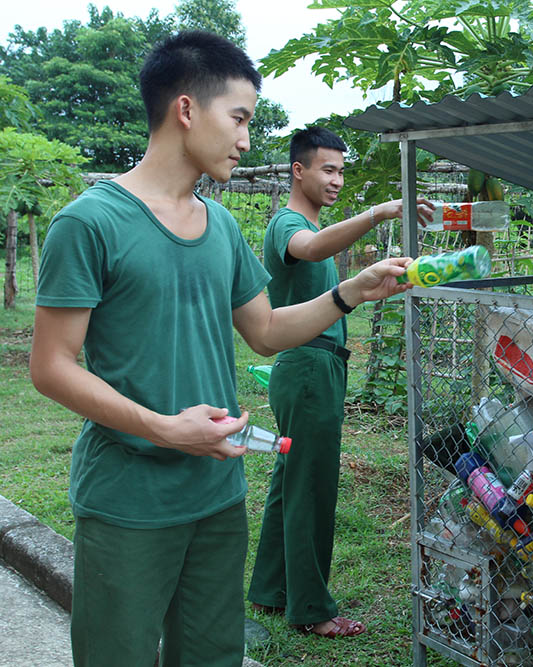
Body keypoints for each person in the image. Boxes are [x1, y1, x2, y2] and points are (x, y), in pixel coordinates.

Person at [28, 31, 413, 667]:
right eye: (239, 118)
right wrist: (163, 428)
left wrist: (350, 291)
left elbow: (265, 330)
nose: (246, 139)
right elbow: (50, 367)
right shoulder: (90, 222)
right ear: (186, 109)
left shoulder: (222, 225)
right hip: (128, 501)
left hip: (217, 496)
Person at [247, 126, 433, 638]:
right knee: (312, 486)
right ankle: (311, 609)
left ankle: (271, 590)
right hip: (309, 367)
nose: (336, 180)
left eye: (341, 171)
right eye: (327, 169)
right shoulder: (290, 224)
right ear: (298, 170)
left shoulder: (310, 224)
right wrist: (380, 212)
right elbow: (308, 248)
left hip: (310, 366)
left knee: (290, 481)